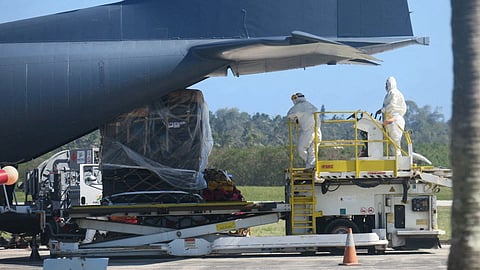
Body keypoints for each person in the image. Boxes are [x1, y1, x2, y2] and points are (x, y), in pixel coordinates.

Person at [287, 93, 321, 172]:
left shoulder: (298, 107)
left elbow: (289, 115)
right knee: (312, 151)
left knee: (301, 149)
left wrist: (296, 119)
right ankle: (312, 168)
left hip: (308, 132)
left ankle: (311, 166)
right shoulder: (312, 106)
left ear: (296, 99)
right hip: (318, 131)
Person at [376, 76, 407, 156]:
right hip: (391, 120)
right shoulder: (389, 94)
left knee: (395, 143)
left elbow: (392, 106)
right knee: (392, 144)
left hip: (395, 120)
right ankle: (396, 159)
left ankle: (398, 161)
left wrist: (383, 110)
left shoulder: (394, 93)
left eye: (387, 84)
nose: (385, 86)